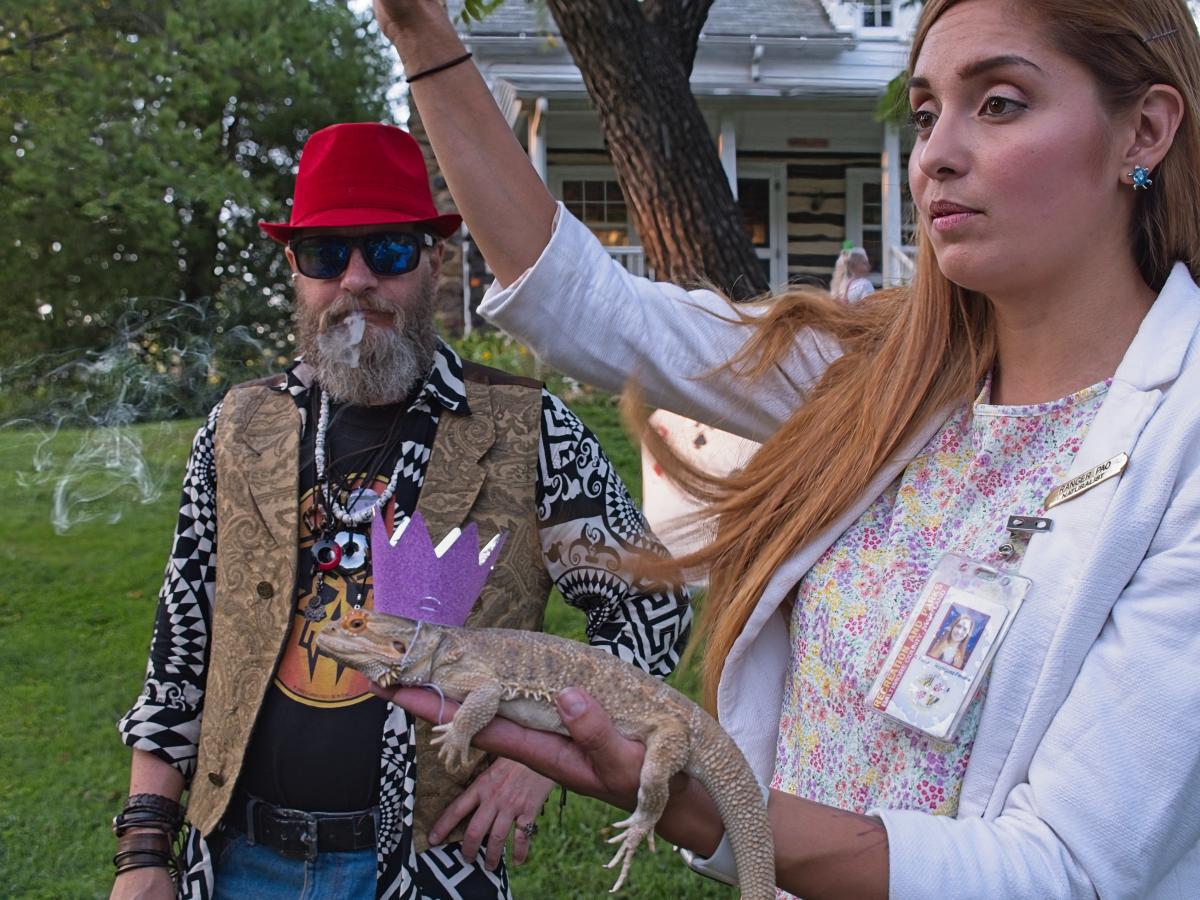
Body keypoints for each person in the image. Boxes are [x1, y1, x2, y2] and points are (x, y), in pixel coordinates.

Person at [370, 0, 1200, 897]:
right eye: (925, 116)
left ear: (1143, 132)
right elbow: (584, 307)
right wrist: (422, 34)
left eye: (999, 103)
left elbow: (1066, 870)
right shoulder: (880, 373)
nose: (935, 155)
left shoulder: (1180, 439)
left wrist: (695, 804)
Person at [109, 122, 691, 900]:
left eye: (386, 250)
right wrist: (145, 848)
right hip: (236, 860)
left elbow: (651, 604)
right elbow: (181, 646)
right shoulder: (239, 428)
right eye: (325, 255)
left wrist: (539, 759)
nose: (355, 280)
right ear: (296, 270)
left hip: (430, 868)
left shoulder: (527, 427)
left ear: (433, 261)